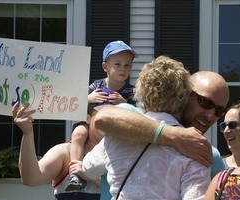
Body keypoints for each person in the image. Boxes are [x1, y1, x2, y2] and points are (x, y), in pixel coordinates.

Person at [70, 56, 211, 199]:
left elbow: (88, 168)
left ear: (141, 92)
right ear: (184, 97)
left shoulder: (118, 133)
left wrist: (77, 166)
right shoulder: (195, 147)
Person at [94, 71, 229, 179]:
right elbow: (102, 118)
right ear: (185, 95)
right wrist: (175, 136)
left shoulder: (209, 154)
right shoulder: (132, 116)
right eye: (205, 102)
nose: (210, 116)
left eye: (218, 111)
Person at [66, 40, 138, 191]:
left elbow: (138, 116)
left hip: (114, 133)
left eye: (127, 65)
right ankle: (75, 173)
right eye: (117, 64)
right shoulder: (95, 87)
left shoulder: (131, 93)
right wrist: (88, 99)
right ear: (105, 66)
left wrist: (124, 103)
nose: (122, 69)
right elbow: (72, 106)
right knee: (78, 132)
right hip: (90, 127)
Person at [12, 102, 102, 200]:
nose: (110, 123)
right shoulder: (66, 152)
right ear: (88, 118)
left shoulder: (120, 153)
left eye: (115, 118)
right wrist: (27, 132)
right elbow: (31, 179)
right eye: (103, 117)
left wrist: (91, 176)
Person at [204, 93, 240, 199]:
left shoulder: (222, 180)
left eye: (233, 125)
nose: (226, 130)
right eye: (223, 126)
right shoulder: (217, 166)